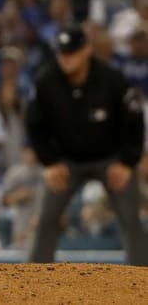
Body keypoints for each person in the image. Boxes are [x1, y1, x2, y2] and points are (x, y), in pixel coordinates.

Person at [25, 23, 147, 265]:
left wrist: (126, 161)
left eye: (71, 52)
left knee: (131, 218)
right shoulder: (46, 82)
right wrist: (49, 162)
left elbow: (134, 120)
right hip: (66, 161)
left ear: (86, 50)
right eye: (62, 53)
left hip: (110, 159)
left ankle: (142, 282)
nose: (66, 58)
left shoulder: (112, 80)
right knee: (45, 218)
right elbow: (34, 125)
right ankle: (33, 284)